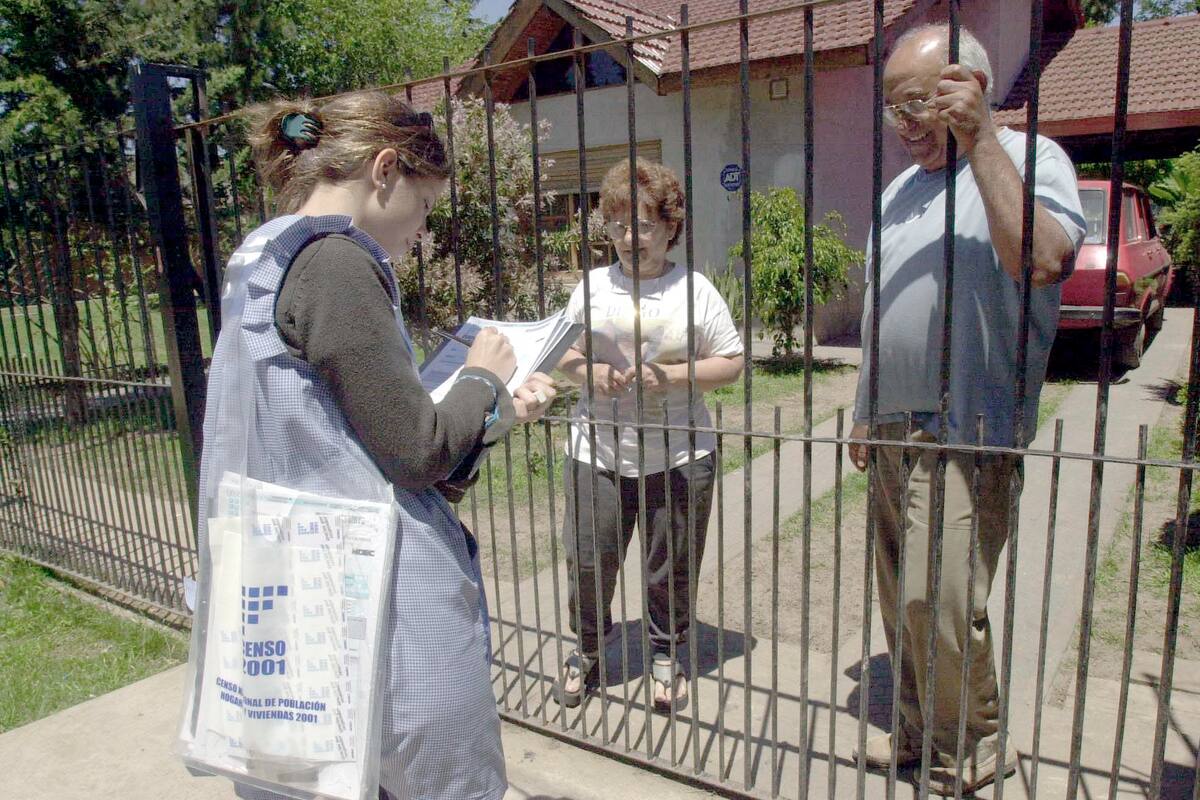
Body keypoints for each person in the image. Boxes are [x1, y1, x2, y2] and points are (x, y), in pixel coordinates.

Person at [197, 92, 556, 800]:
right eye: (423, 208)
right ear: (385, 169)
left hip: (291, 582)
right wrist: (482, 376)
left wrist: (494, 414)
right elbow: (414, 451)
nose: (420, 234)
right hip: (368, 605)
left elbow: (333, 434)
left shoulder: (262, 254)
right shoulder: (335, 260)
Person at [847, 25, 1085, 795]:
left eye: (920, 102)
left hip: (968, 427)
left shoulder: (1030, 160)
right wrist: (861, 405)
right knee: (900, 601)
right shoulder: (897, 193)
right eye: (893, 110)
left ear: (972, 88)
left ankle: (975, 740)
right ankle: (918, 733)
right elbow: (882, 311)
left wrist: (981, 138)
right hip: (890, 423)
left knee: (940, 599)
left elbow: (1044, 259)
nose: (906, 124)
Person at [553, 159, 743, 712]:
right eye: (616, 226)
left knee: (671, 566)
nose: (629, 238)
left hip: (679, 451)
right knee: (589, 560)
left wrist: (675, 376)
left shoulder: (696, 290)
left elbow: (731, 361)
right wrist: (589, 374)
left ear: (669, 227)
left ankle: (666, 654)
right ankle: (588, 650)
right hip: (598, 448)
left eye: (642, 226)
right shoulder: (591, 287)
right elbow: (562, 350)